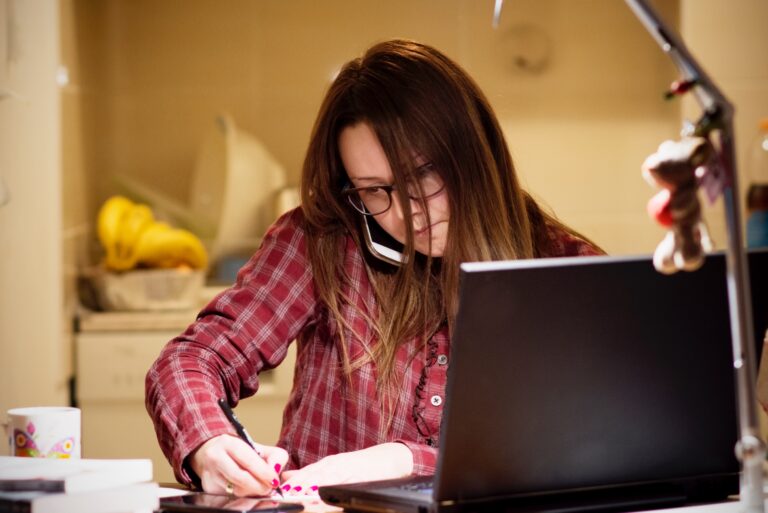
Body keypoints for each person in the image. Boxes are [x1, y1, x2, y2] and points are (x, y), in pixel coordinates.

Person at [145, 39, 603, 498]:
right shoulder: (322, 240)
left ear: (474, 153)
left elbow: (590, 444)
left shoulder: (568, 271)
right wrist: (210, 441)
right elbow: (189, 360)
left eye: (423, 174)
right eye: (374, 189)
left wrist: (406, 461)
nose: (407, 213)